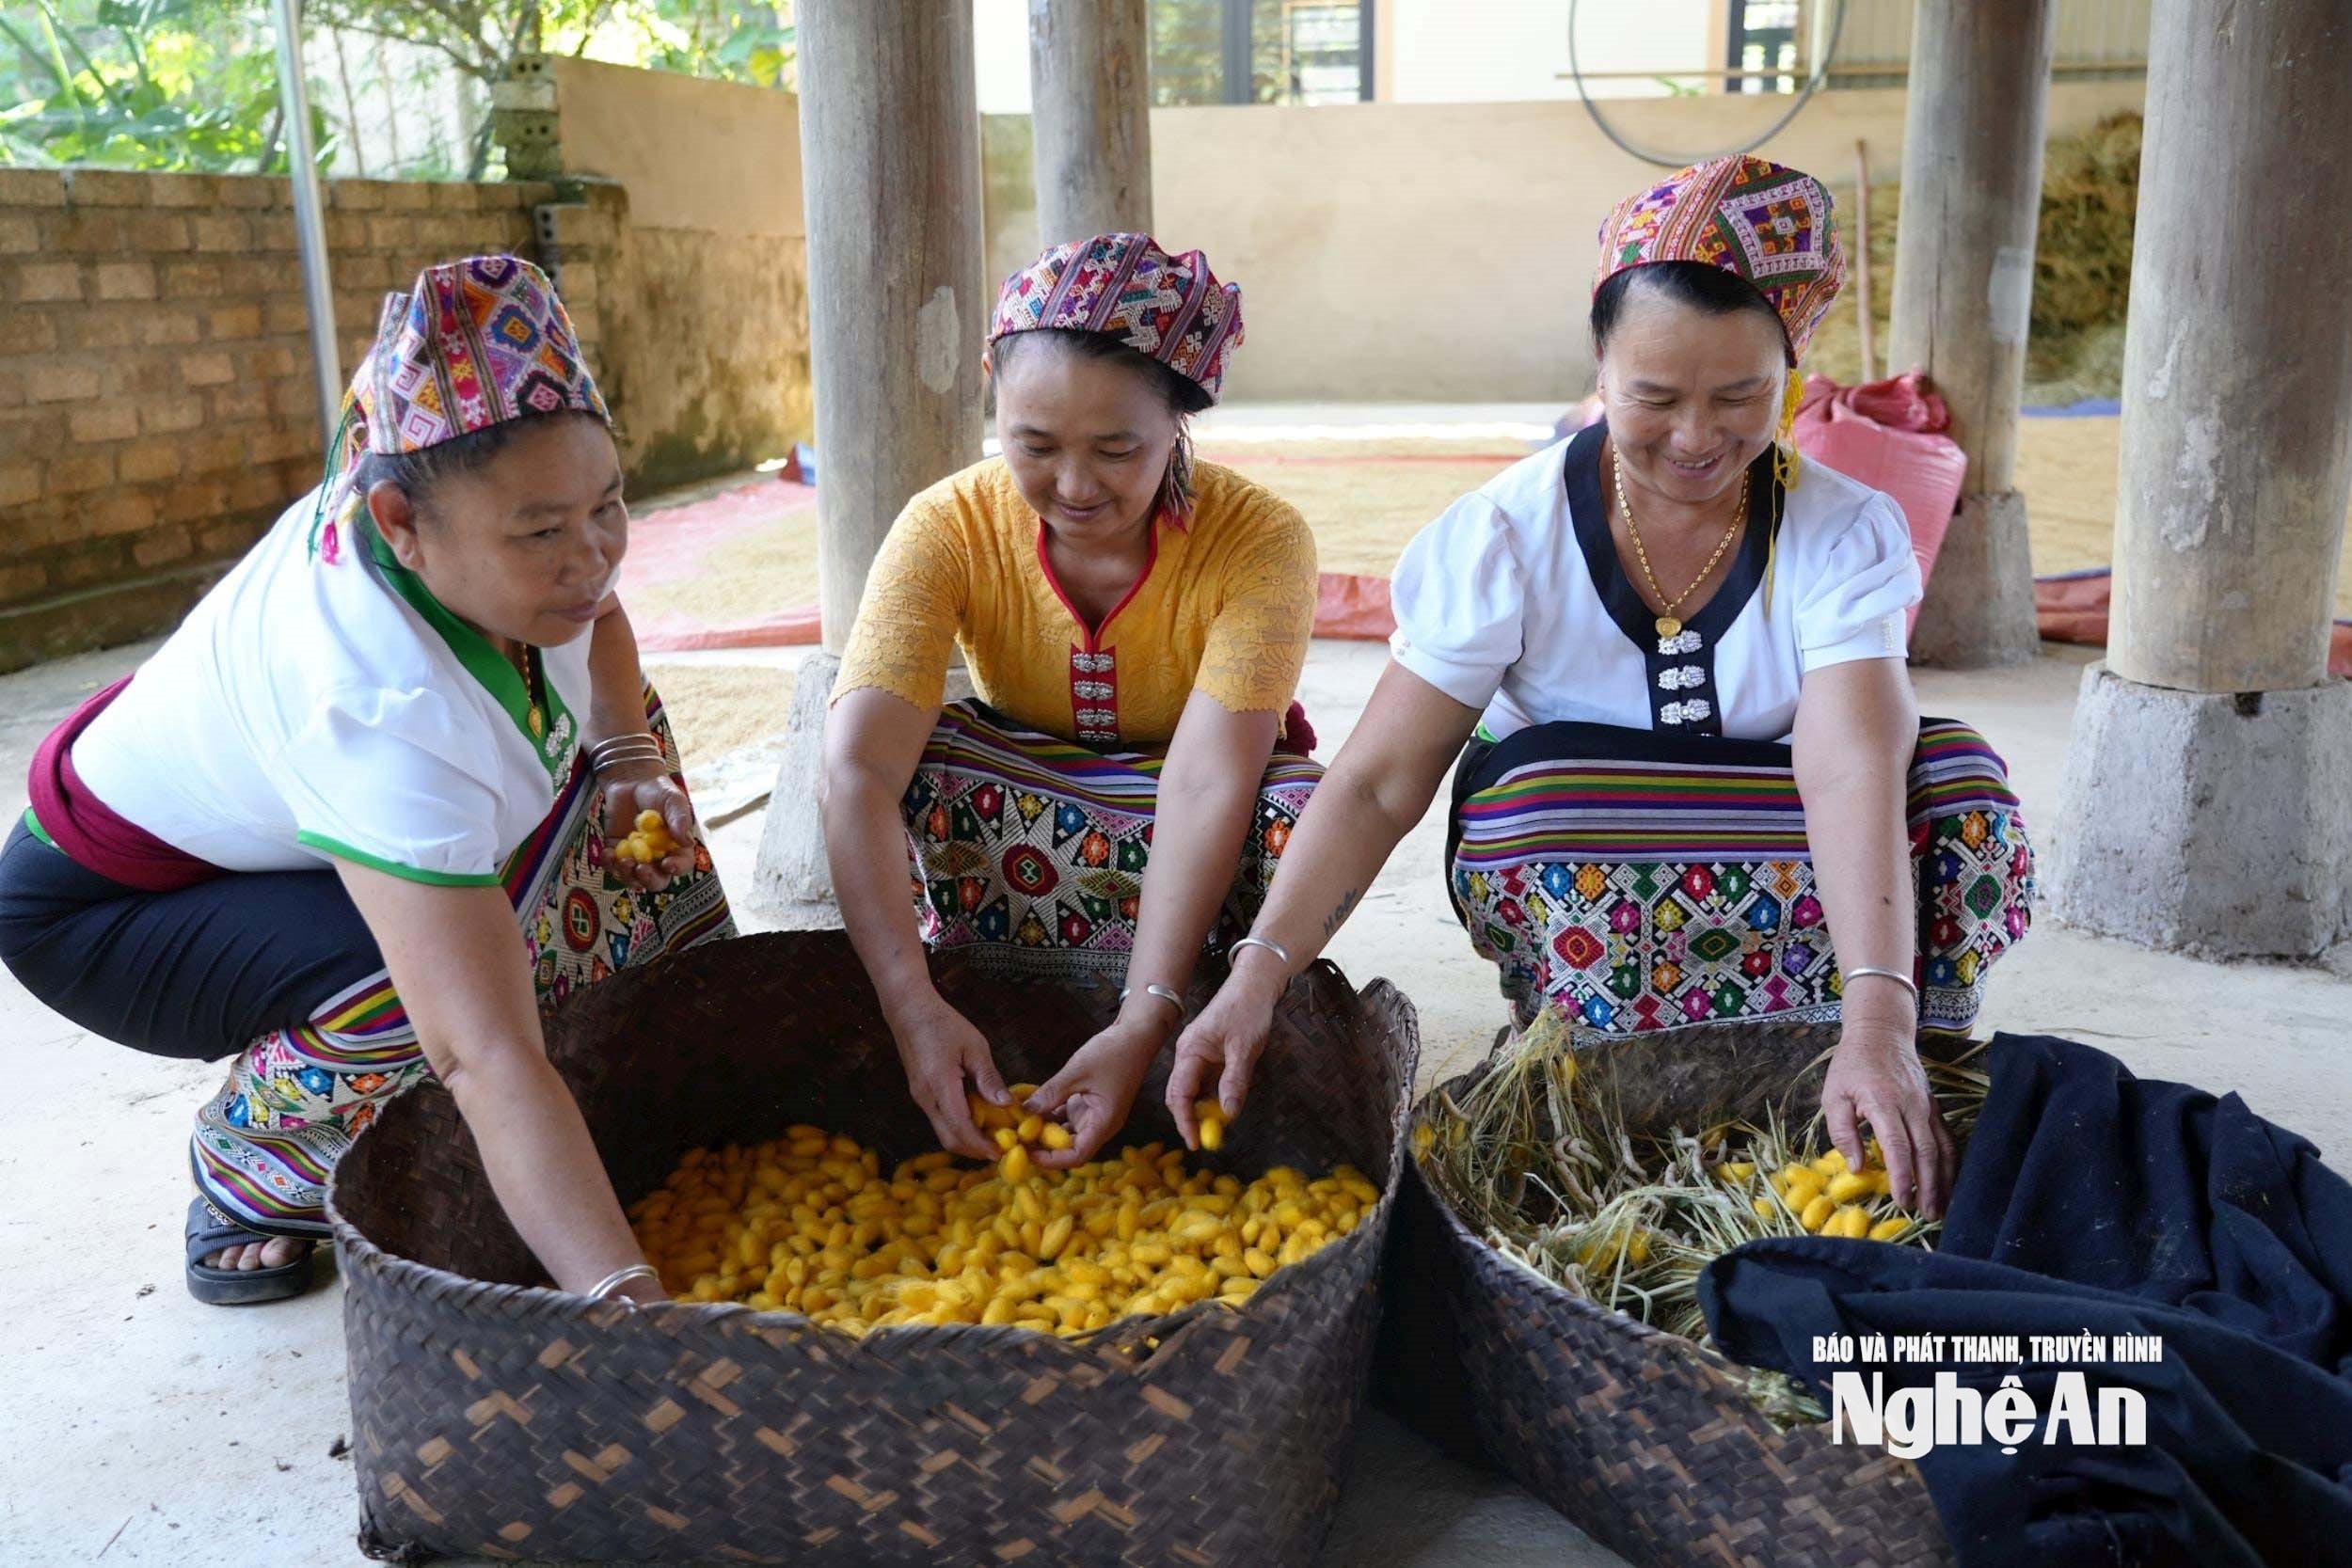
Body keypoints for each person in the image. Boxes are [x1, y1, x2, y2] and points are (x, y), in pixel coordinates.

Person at [1168, 157, 2034, 1217]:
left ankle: (1868, 1066)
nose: (1696, 438)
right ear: (1598, 364)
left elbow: (1849, 763)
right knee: (1539, 794)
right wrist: (1257, 978)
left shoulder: (1843, 528)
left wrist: (1879, 1024)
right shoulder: (1504, 534)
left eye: (1740, 396)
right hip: (1594, 889)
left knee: (1953, 781)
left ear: (1792, 368)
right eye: (1653, 397)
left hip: (1801, 870)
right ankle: (1596, 1052)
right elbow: (1377, 783)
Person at [0, 256, 733, 1305]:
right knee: (431, 1000)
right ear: (396, 523)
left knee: (619, 752)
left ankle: (632, 1063)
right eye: (540, 531)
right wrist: (626, 1298)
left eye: (609, 506)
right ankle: (250, 1167)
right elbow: (479, 1049)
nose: (592, 556)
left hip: (279, 823)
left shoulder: (464, 524)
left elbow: (602, 614)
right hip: (111, 913)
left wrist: (627, 756)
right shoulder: (373, 701)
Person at [824, 232, 1319, 1170]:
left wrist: (1144, 1016)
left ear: (1180, 417)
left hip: (1196, 842)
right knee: (924, 758)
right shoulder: (946, 526)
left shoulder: (1259, 539)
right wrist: (910, 1004)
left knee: (1301, 805)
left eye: (1117, 448)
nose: (1075, 485)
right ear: (991, 392)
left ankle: (1198, 1000)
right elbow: (855, 768)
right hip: (1020, 839)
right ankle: (979, 974)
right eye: (1034, 445)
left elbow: (1211, 782)